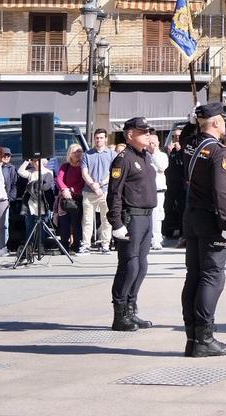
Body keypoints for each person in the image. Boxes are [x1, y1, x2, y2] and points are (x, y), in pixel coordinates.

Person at [181, 103, 226, 357]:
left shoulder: (192, 147)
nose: (225, 124)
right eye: (222, 120)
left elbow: (186, 137)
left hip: (192, 219)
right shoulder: (217, 152)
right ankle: (204, 339)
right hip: (212, 221)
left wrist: (194, 121)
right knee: (212, 276)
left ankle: (193, 337)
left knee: (194, 275)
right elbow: (221, 192)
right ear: (215, 123)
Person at [107, 117, 159, 332]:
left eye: (148, 131)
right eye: (143, 132)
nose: (148, 135)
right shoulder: (123, 158)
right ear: (130, 135)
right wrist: (117, 222)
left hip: (146, 216)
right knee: (129, 266)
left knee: (141, 266)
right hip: (132, 217)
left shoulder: (145, 156)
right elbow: (114, 193)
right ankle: (120, 315)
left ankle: (131, 309)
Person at [81, 128, 114, 254]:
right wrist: (93, 185)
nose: (98, 140)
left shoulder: (112, 154)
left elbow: (113, 173)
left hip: (105, 191)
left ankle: (105, 244)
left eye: (101, 138)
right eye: (96, 138)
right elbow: (84, 173)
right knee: (87, 220)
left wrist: (100, 184)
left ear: (106, 139)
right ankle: (86, 244)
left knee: (107, 219)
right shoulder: (87, 154)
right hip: (89, 191)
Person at [17, 155, 54, 246]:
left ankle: (40, 244)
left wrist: (33, 185)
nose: (36, 163)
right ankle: (29, 245)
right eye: (34, 161)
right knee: (29, 224)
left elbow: (47, 186)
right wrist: (27, 161)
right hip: (30, 202)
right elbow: (20, 172)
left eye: (37, 161)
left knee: (42, 225)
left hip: (42, 202)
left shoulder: (48, 172)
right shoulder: (31, 172)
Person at [55, 146, 85, 251]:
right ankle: (64, 247)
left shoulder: (83, 166)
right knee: (64, 223)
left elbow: (83, 181)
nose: (77, 153)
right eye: (74, 152)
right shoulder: (65, 166)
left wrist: (71, 190)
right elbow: (59, 179)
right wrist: (64, 190)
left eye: (79, 151)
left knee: (76, 224)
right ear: (70, 154)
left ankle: (77, 245)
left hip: (77, 199)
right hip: (65, 199)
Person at [164, 126, 187, 242]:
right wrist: (168, 153)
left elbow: (186, 164)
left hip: (182, 182)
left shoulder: (185, 148)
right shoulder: (168, 149)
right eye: (174, 137)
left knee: (183, 208)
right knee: (168, 207)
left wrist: (181, 151)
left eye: (178, 137)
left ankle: (183, 232)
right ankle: (166, 231)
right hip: (170, 182)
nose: (176, 139)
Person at [149, 132, 169, 251]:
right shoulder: (144, 155)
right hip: (145, 190)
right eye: (149, 142)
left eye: (153, 143)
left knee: (157, 216)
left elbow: (162, 167)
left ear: (158, 143)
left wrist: (154, 152)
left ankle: (156, 240)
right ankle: (147, 239)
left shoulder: (161, 155)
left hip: (158, 190)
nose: (151, 145)